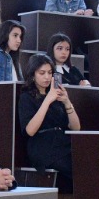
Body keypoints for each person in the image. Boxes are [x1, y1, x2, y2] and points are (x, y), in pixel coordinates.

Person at [18, 53, 80, 190]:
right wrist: (47, 100)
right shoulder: (26, 98)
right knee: (77, 169)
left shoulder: (56, 95)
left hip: (62, 143)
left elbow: (76, 128)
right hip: (42, 146)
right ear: (33, 75)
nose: (47, 77)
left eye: (50, 72)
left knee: (87, 164)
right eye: (42, 73)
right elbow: (30, 130)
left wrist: (67, 102)